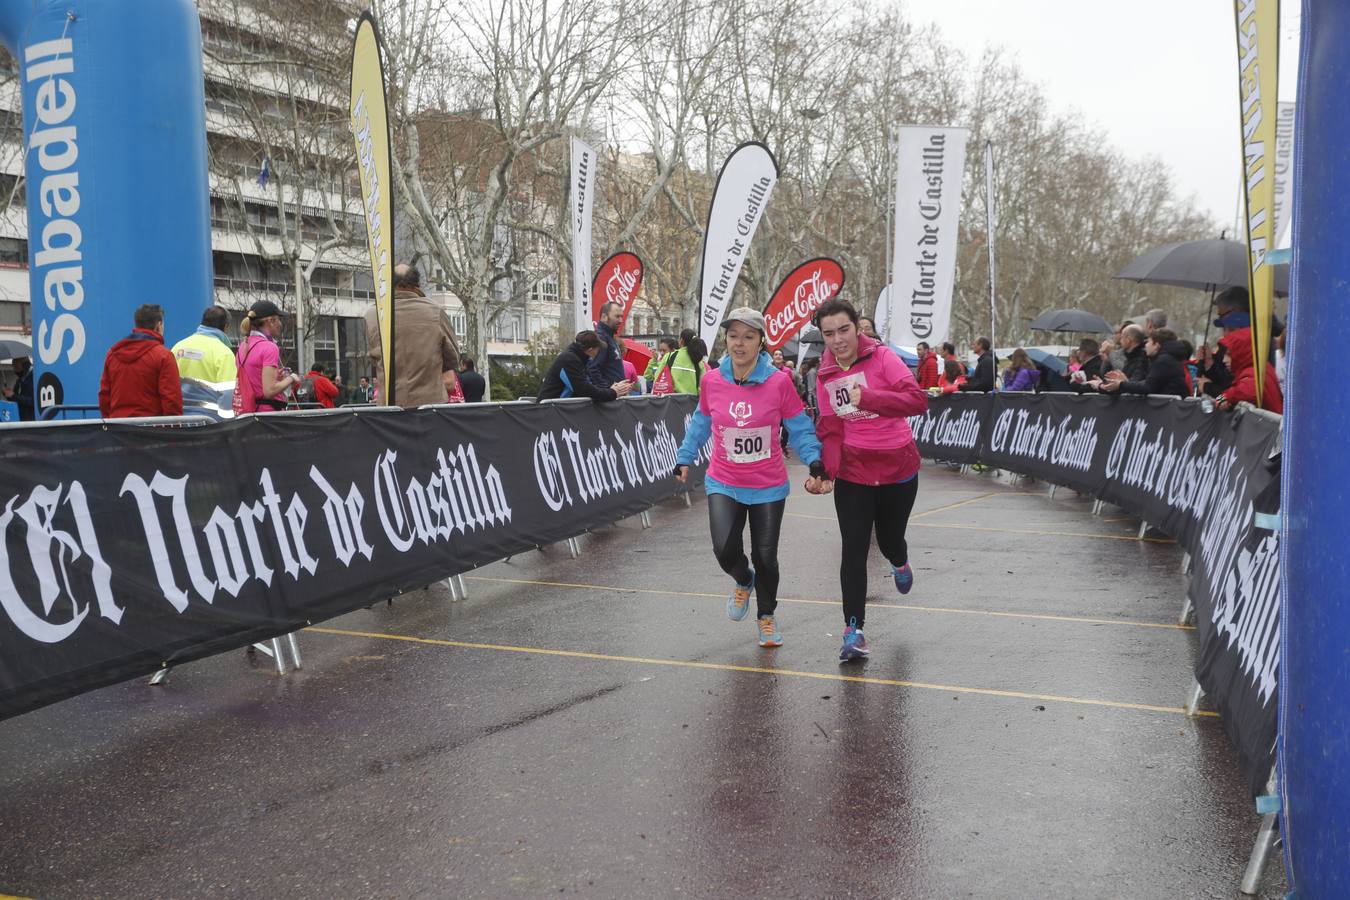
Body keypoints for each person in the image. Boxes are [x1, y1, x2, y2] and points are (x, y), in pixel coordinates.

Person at [674, 307, 824, 649]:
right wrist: (684, 457)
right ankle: (744, 580)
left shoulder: (779, 382)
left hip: (767, 485)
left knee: (766, 556)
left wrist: (814, 460)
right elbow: (701, 422)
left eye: (748, 336)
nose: (739, 343)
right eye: (733, 336)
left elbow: (799, 426)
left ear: (761, 342)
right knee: (724, 549)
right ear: (725, 340)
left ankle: (766, 616)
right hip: (724, 479)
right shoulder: (712, 379)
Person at [810, 299, 928, 661]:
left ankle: (900, 560)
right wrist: (825, 473)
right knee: (854, 548)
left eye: (843, 330)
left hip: (897, 467)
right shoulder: (825, 374)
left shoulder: (883, 358)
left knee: (890, 540)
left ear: (857, 328)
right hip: (854, 471)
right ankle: (853, 630)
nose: (838, 339)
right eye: (829, 333)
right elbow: (830, 429)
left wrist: (872, 398)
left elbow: (916, 401)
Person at [365, 263, 460, 408]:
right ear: (417, 284)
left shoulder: (372, 315)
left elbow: (374, 358)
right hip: (430, 406)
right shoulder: (435, 312)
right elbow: (452, 359)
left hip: (389, 407)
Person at [98, 304, 184, 418]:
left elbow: (104, 396)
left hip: (118, 429)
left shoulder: (113, 354)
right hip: (151, 431)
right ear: (159, 325)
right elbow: (171, 401)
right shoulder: (164, 356)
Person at [236, 299, 301, 413]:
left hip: (247, 413)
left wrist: (276, 378)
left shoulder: (243, 345)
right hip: (268, 416)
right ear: (270, 321)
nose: (280, 324)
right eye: (278, 320)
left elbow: (255, 381)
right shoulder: (269, 347)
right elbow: (269, 391)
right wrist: (291, 378)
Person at [539, 331, 632, 402]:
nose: (598, 354)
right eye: (598, 350)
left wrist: (610, 388)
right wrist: (613, 392)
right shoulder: (569, 359)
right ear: (590, 350)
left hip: (557, 410)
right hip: (549, 412)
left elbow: (591, 385)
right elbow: (584, 389)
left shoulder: (579, 359)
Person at [1097, 329, 1189, 399]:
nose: (1145, 345)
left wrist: (1121, 384)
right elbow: (1144, 381)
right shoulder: (1153, 359)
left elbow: (1148, 386)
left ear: (1156, 345)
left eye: (1149, 341)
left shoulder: (1164, 361)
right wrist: (1126, 382)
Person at [172, 305, 237, 383]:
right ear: (226, 326)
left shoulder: (178, 347)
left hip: (179, 395)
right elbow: (228, 392)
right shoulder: (225, 354)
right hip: (211, 395)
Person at [651, 328, 708, 395]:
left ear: (681, 341)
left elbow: (657, 378)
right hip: (692, 403)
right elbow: (703, 387)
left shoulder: (669, 357)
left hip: (671, 402)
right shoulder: (698, 362)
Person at [587, 301, 626, 389]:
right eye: (617, 316)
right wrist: (608, 389)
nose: (621, 320)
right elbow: (593, 368)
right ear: (604, 317)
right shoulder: (601, 338)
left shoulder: (610, 337)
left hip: (614, 396)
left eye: (621, 316)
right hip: (609, 399)